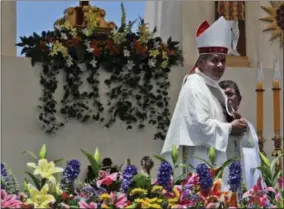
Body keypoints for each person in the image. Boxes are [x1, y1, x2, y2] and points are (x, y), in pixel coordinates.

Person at [160, 16, 255, 189]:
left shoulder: (214, 87)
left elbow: (220, 120)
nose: (220, 65)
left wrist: (235, 122)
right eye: (215, 60)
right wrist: (230, 127)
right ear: (201, 62)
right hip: (201, 163)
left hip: (220, 162)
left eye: (223, 60)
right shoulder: (194, 86)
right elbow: (198, 126)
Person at [219, 80, 262, 189]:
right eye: (222, 95)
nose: (226, 98)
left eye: (229, 94)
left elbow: (254, 158)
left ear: (238, 100)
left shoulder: (248, 127)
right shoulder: (214, 126)